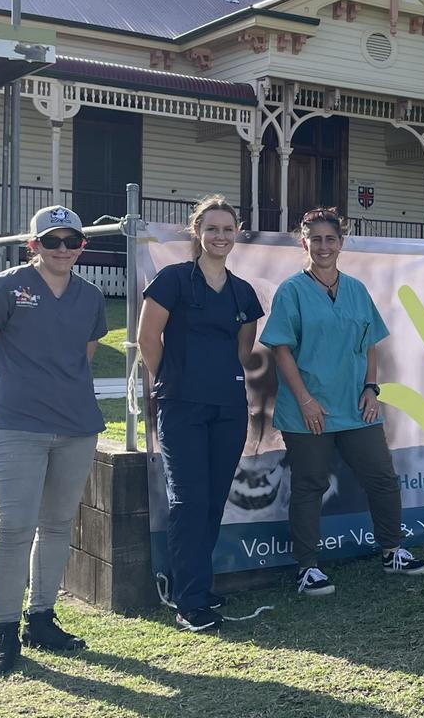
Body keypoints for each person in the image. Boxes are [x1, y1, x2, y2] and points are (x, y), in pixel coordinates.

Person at [0, 205, 107, 677]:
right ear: (34, 245)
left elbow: (81, 356)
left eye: (71, 241)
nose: (62, 249)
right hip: (16, 426)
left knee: (59, 524)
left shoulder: (91, 295)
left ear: (82, 246)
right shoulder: (7, 285)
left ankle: (40, 619)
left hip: (76, 426)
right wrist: (1, 396)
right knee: (15, 527)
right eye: (52, 241)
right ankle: (4, 632)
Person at [260, 208, 424, 596]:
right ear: (304, 243)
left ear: (341, 243)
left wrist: (371, 388)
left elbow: (368, 343)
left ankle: (393, 551)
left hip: (356, 407)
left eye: (330, 239)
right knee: (309, 485)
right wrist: (304, 400)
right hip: (309, 410)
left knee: (382, 478)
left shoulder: (356, 289)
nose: (323, 246)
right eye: (315, 239)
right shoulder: (292, 291)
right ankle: (308, 568)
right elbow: (281, 350)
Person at [138, 196, 264, 632]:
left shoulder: (243, 292)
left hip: (229, 408)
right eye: (212, 229)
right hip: (181, 407)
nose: (220, 237)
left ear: (237, 233)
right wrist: (172, 380)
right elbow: (147, 337)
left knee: (211, 501)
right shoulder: (172, 280)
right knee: (189, 501)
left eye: (228, 229)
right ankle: (189, 601)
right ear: (197, 232)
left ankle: (198, 586)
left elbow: (243, 350)